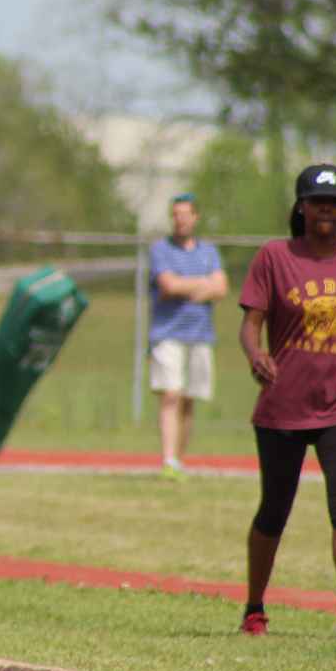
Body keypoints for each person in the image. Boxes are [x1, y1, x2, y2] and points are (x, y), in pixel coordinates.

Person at [238, 163, 336, 639]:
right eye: (316, 201)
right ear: (301, 207)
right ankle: (254, 607)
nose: (325, 209)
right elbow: (251, 323)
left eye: (333, 202)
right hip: (282, 407)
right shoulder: (274, 256)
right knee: (275, 508)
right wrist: (256, 355)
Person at [148, 193, 227, 481]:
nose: (180, 219)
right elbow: (167, 286)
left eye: (186, 214)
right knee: (171, 394)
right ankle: (168, 459)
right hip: (167, 334)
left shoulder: (209, 252)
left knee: (189, 399)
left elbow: (221, 288)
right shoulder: (160, 250)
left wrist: (187, 287)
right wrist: (203, 283)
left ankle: (179, 461)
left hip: (200, 335)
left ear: (196, 217)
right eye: (176, 214)